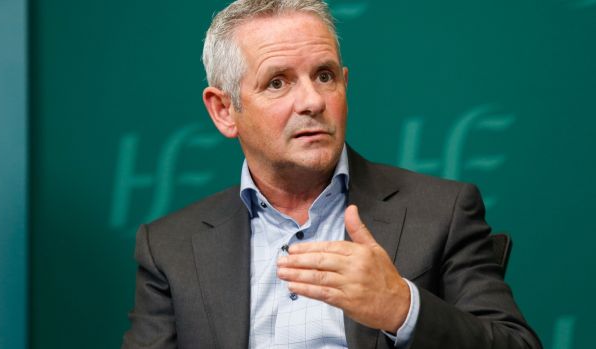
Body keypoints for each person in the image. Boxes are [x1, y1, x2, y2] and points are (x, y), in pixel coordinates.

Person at [122, 1, 542, 348]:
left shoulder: (441, 213)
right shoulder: (171, 248)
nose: (311, 101)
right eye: (278, 82)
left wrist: (402, 308)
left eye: (324, 76)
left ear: (344, 84)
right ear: (224, 110)